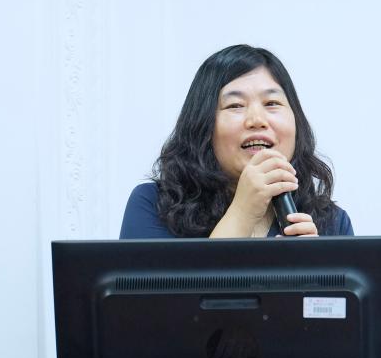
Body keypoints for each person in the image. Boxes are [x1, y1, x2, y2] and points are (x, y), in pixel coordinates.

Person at [120, 44, 353, 239]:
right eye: (235, 105)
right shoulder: (153, 205)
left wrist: (314, 268)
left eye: (272, 103)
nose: (257, 120)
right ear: (202, 125)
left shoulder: (333, 223)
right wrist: (243, 210)